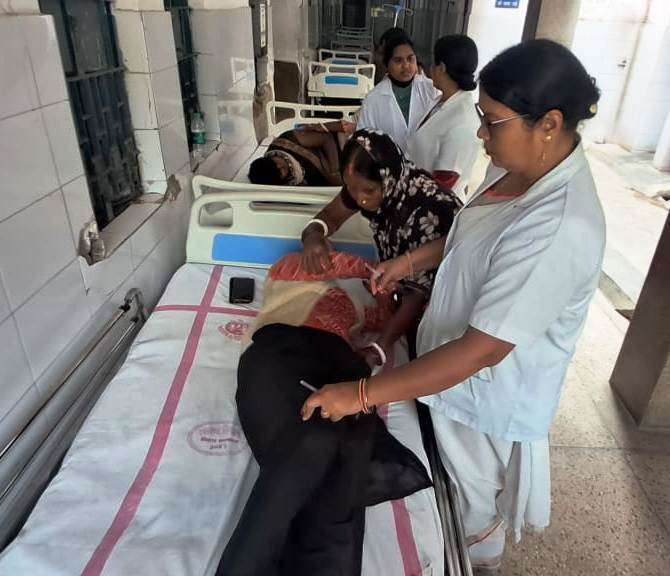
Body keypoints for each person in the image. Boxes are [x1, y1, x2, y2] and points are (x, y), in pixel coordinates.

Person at [301, 39, 604, 572]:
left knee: (470, 513)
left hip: (485, 396)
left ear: (549, 124)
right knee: (445, 490)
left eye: (492, 122)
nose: (480, 134)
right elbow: (472, 236)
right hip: (450, 370)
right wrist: (409, 261)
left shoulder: (561, 225)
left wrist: (362, 394)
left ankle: (479, 562)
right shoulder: (519, 170)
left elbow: (483, 350)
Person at [300, 129, 461, 368]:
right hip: (401, 286)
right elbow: (330, 217)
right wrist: (314, 234)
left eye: (368, 191)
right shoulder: (369, 185)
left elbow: (417, 295)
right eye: (350, 188)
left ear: (387, 178)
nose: (360, 200)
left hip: (439, 307)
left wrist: (381, 346)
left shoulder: (430, 210)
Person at [407, 35, 480, 201]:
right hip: (414, 194)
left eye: (433, 63)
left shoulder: (462, 121)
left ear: (441, 68)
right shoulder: (441, 101)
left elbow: (443, 185)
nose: (430, 68)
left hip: (432, 206)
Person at [357, 33, 441, 153]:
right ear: (387, 64)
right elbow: (363, 140)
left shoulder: (430, 89)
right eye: (398, 60)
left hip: (425, 161)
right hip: (388, 162)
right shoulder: (373, 98)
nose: (406, 66)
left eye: (410, 59)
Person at [248, 124, 349, 186]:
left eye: (275, 162)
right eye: (280, 172)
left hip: (341, 147)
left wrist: (333, 171)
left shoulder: (287, 141)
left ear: (270, 157)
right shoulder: (291, 183)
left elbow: (327, 139)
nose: (281, 166)